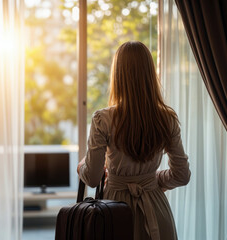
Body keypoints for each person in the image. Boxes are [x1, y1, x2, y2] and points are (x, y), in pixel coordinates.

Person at [77, 41, 191, 240]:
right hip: (156, 211)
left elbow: (93, 178)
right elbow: (181, 176)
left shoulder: (103, 119)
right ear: (149, 74)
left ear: (118, 75)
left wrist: (81, 167)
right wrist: (150, 180)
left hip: (114, 211)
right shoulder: (167, 118)